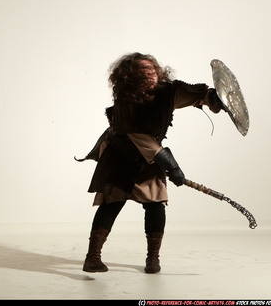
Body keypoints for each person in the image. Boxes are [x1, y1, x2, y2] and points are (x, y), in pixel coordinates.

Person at [76, 52, 225, 274]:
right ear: (130, 78)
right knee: (111, 204)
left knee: (156, 205)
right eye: (143, 72)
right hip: (120, 157)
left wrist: (213, 98)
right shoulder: (125, 102)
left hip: (149, 161)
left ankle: (152, 259)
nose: (150, 75)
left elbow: (195, 95)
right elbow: (143, 139)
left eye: (152, 70)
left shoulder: (168, 92)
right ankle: (92, 258)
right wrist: (173, 168)